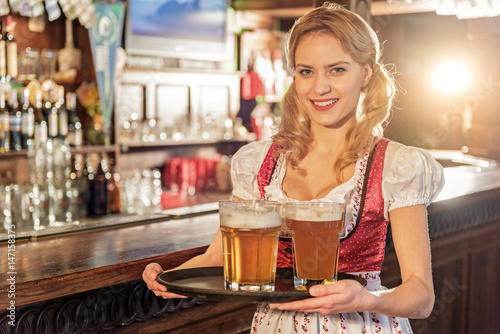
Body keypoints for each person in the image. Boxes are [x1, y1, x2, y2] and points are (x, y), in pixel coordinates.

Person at [143, 2, 445, 333]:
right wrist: (168, 277)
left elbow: (421, 296)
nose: (319, 87)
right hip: (276, 325)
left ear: (366, 74)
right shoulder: (260, 162)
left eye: (337, 69)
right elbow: (219, 258)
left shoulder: (395, 166)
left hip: (359, 325)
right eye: (306, 71)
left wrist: (366, 299)